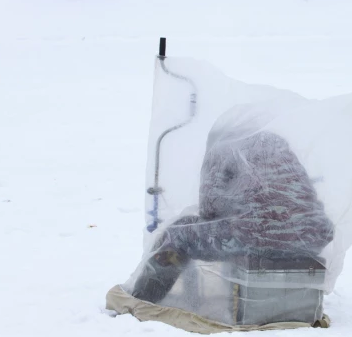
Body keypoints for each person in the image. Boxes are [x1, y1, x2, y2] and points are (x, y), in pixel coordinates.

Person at [131, 130, 334, 303]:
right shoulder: (278, 146)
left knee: (180, 233)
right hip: (310, 238)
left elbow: (210, 208)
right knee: (241, 228)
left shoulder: (223, 148)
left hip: (255, 240)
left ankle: (143, 300)